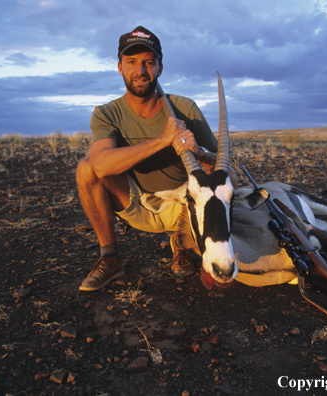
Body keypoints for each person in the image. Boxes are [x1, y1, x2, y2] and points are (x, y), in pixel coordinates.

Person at [76, 26, 236, 292]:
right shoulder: (106, 113)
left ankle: (182, 244)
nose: (140, 71)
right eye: (132, 63)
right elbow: (100, 165)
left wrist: (199, 152)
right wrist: (163, 140)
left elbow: (226, 171)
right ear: (120, 67)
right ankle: (110, 258)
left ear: (160, 69)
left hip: (184, 206)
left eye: (149, 63)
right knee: (86, 169)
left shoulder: (185, 108)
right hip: (137, 202)